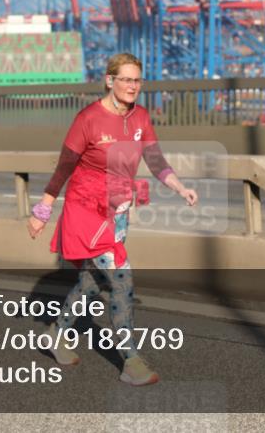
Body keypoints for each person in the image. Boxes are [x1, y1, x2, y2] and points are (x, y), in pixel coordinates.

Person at [27, 52, 198, 386]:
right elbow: (64, 166)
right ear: (110, 80)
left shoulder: (141, 117)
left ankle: (56, 333)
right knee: (121, 279)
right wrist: (43, 210)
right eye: (126, 80)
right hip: (86, 210)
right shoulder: (88, 118)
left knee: (92, 281)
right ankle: (131, 361)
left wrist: (180, 187)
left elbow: (155, 159)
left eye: (137, 80)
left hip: (117, 211)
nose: (133, 86)